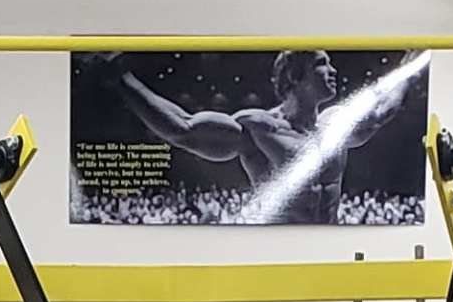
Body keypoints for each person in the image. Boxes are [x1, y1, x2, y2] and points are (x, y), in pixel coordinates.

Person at [115, 48, 350, 217]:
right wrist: (120, 76)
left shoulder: (337, 125)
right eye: (321, 63)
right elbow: (182, 129)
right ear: (294, 76)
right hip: (280, 250)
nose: (333, 70)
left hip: (328, 250)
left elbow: (381, 111)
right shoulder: (260, 128)